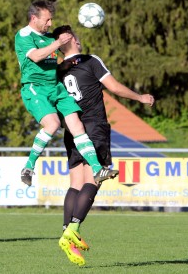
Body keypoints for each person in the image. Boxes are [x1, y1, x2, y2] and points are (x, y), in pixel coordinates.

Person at [53, 25, 155, 266]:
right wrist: (141, 97)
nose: (79, 41)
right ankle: (73, 229)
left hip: (72, 129)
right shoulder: (90, 60)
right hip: (93, 127)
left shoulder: (58, 71)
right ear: (73, 41)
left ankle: (67, 231)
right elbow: (115, 87)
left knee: (75, 183)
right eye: (77, 38)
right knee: (94, 180)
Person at [14, 1, 118, 189]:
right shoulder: (24, 35)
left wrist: (64, 66)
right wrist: (57, 43)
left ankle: (97, 169)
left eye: (51, 19)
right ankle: (28, 167)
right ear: (34, 18)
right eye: (47, 20)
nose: (50, 24)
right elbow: (36, 57)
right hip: (35, 88)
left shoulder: (47, 38)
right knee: (52, 123)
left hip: (56, 88)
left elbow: (51, 66)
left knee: (77, 125)